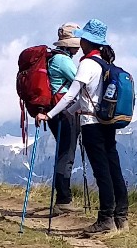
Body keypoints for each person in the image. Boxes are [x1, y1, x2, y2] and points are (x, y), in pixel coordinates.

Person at [42, 18, 127, 235]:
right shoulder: (104, 63)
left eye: (82, 39)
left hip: (91, 125)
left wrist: (50, 114)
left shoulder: (87, 64)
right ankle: (121, 217)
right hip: (107, 122)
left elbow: (73, 94)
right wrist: (69, 112)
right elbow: (84, 98)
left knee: (102, 172)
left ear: (87, 42)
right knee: (113, 167)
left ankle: (105, 219)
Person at [46, 23, 83, 210]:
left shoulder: (53, 58)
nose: (79, 47)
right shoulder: (64, 61)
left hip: (54, 110)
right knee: (67, 153)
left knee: (63, 151)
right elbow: (80, 81)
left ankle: (62, 197)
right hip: (65, 110)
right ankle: (63, 200)